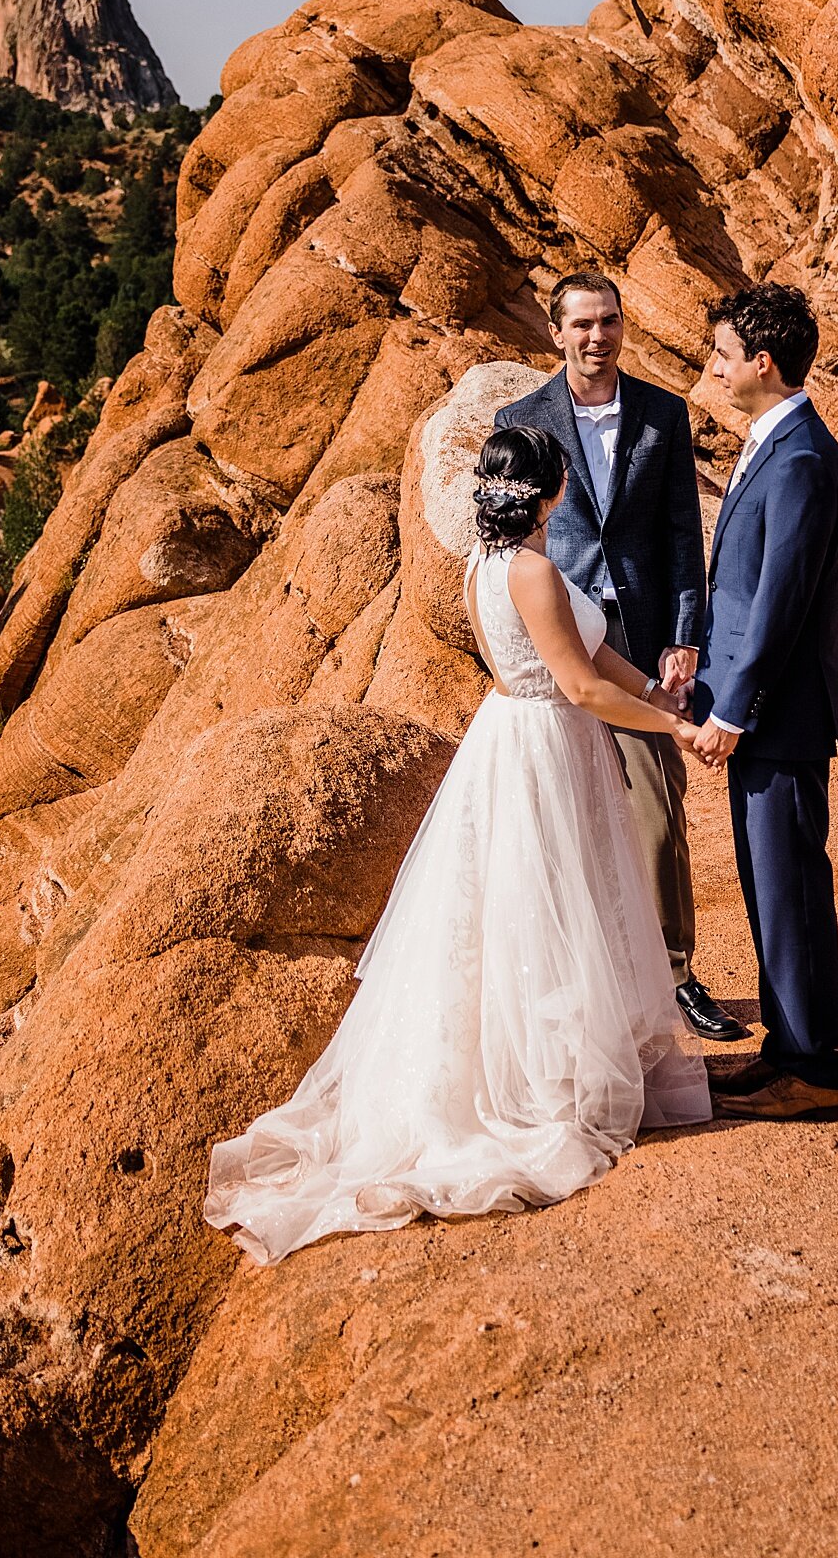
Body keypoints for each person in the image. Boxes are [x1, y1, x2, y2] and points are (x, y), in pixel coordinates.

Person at [204, 424, 710, 1264]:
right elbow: (578, 683)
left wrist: (658, 691)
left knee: (526, 909)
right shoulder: (533, 569)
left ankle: (556, 1062)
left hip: (514, 736)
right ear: (551, 491)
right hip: (546, 742)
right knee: (553, 909)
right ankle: (547, 1085)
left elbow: (591, 655)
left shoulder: (481, 566)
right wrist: (675, 731)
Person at [494, 270, 748, 1042]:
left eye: (608, 322)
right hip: (560, 633)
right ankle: (575, 986)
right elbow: (509, 536)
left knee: (657, 813)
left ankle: (677, 974)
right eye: (580, 324)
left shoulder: (663, 413)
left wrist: (683, 636)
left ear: (622, 326)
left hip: (639, 635)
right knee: (561, 818)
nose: (595, 337)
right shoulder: (520, 416)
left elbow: (680, 532)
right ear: (556, 331)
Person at [690, 284, 838, 1119]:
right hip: (765, 714)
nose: (712, 369)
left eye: (721, 354)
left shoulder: (799, 459)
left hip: (779, 720)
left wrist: (731, 711)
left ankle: (814, 1070)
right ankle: (785, 1049)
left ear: (763, 361)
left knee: (789, 886)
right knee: (769, 885)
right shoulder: (775, 443)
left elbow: (779, 602)